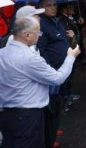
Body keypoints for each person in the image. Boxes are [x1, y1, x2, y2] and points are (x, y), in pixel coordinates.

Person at [0, 17, 80, 148]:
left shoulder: (2, 53)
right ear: (27, 35)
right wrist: (71, 57)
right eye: (38, 32)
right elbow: (57, 78)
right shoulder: (30, 59)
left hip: (7, 115)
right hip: (27, 117)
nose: (40, 35)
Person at [37, 0, 75, 147]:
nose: (53, 8)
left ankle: (53, 127)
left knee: (59, 102)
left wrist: (71, 37)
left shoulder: (58, 21)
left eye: (54, 5)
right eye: (48, 5)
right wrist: (50, 70)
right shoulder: (41, 24)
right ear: (41, 7)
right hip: (54, 71)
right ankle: (49, 136)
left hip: (64, 69)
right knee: (51, 105)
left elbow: (64, 42)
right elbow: (41, 50)